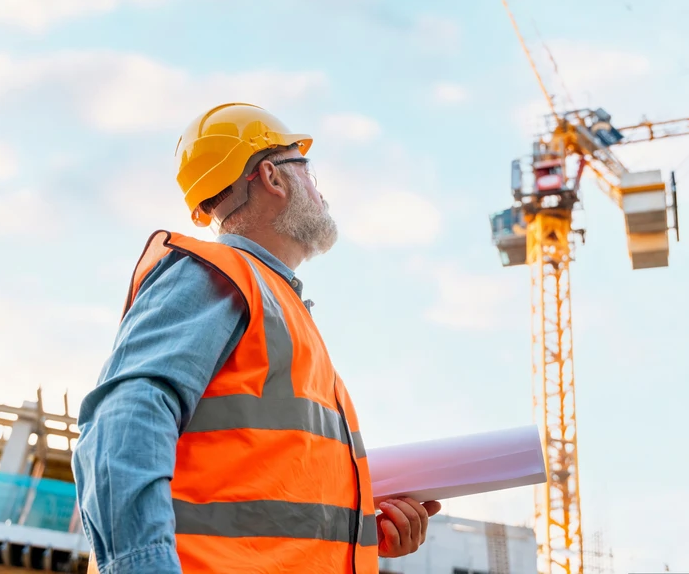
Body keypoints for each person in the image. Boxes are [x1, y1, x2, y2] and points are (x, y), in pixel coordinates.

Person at [72, 102, 441, 573]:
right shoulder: (220, 276)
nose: (319, 189)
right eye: (306, 168)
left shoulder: (279, 310)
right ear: (272, 176)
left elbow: (257, 498)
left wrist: (359, 528)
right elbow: (122, 424)